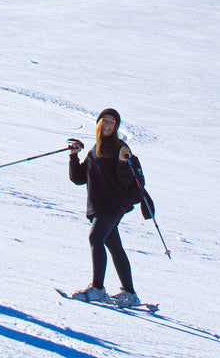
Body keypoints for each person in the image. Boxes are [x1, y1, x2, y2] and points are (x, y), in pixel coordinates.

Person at [68, 107, 143, 308]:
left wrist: (120, 162)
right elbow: (79, 178)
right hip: (99, 205)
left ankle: (98, 289)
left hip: (113, 204)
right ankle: (130, 294)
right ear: (99, 124)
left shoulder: (120, 147)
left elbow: (127, 179)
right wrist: (74, 156)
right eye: (105, 121)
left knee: (95, 238)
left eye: (112, 122)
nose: (108, 125)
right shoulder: (95, 149)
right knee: (114, 246)